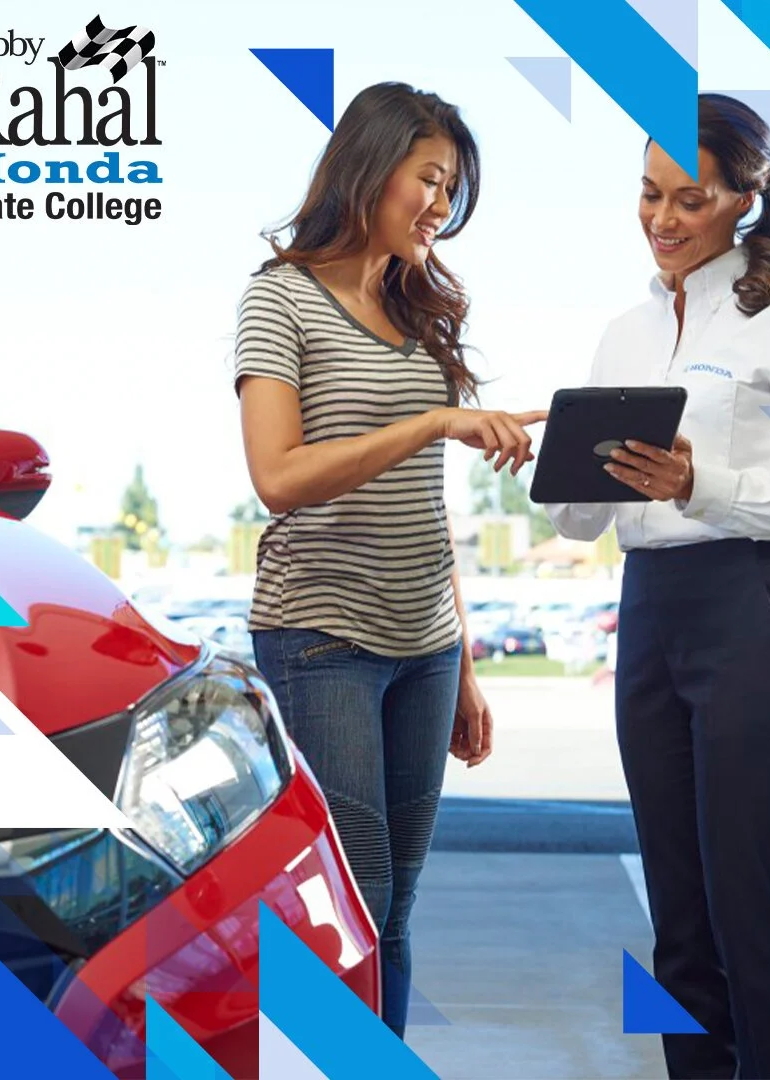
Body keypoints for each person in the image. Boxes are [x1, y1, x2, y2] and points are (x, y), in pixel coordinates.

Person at [546, 94, 770, 1079]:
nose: (663, 219)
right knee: (676, 913)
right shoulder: (622, 333)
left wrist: (699, 482)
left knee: (748, 910)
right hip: (649, 614)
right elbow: (582, 518)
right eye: (647, 196)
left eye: (689, 198)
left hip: (751, 609)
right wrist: (559, 475)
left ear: (741, 200)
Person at [233, 82, 547, 1039]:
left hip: (427, 646)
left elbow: (426, 503)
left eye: (451, 187)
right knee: (348, 904)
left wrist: (465, 661)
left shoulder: (419, 313)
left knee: (394, 909)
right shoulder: (277, 297)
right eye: (431, 179)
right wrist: (435, 420)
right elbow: (278, 477)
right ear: (371, 170)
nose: (441, 204)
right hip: (322, 634)